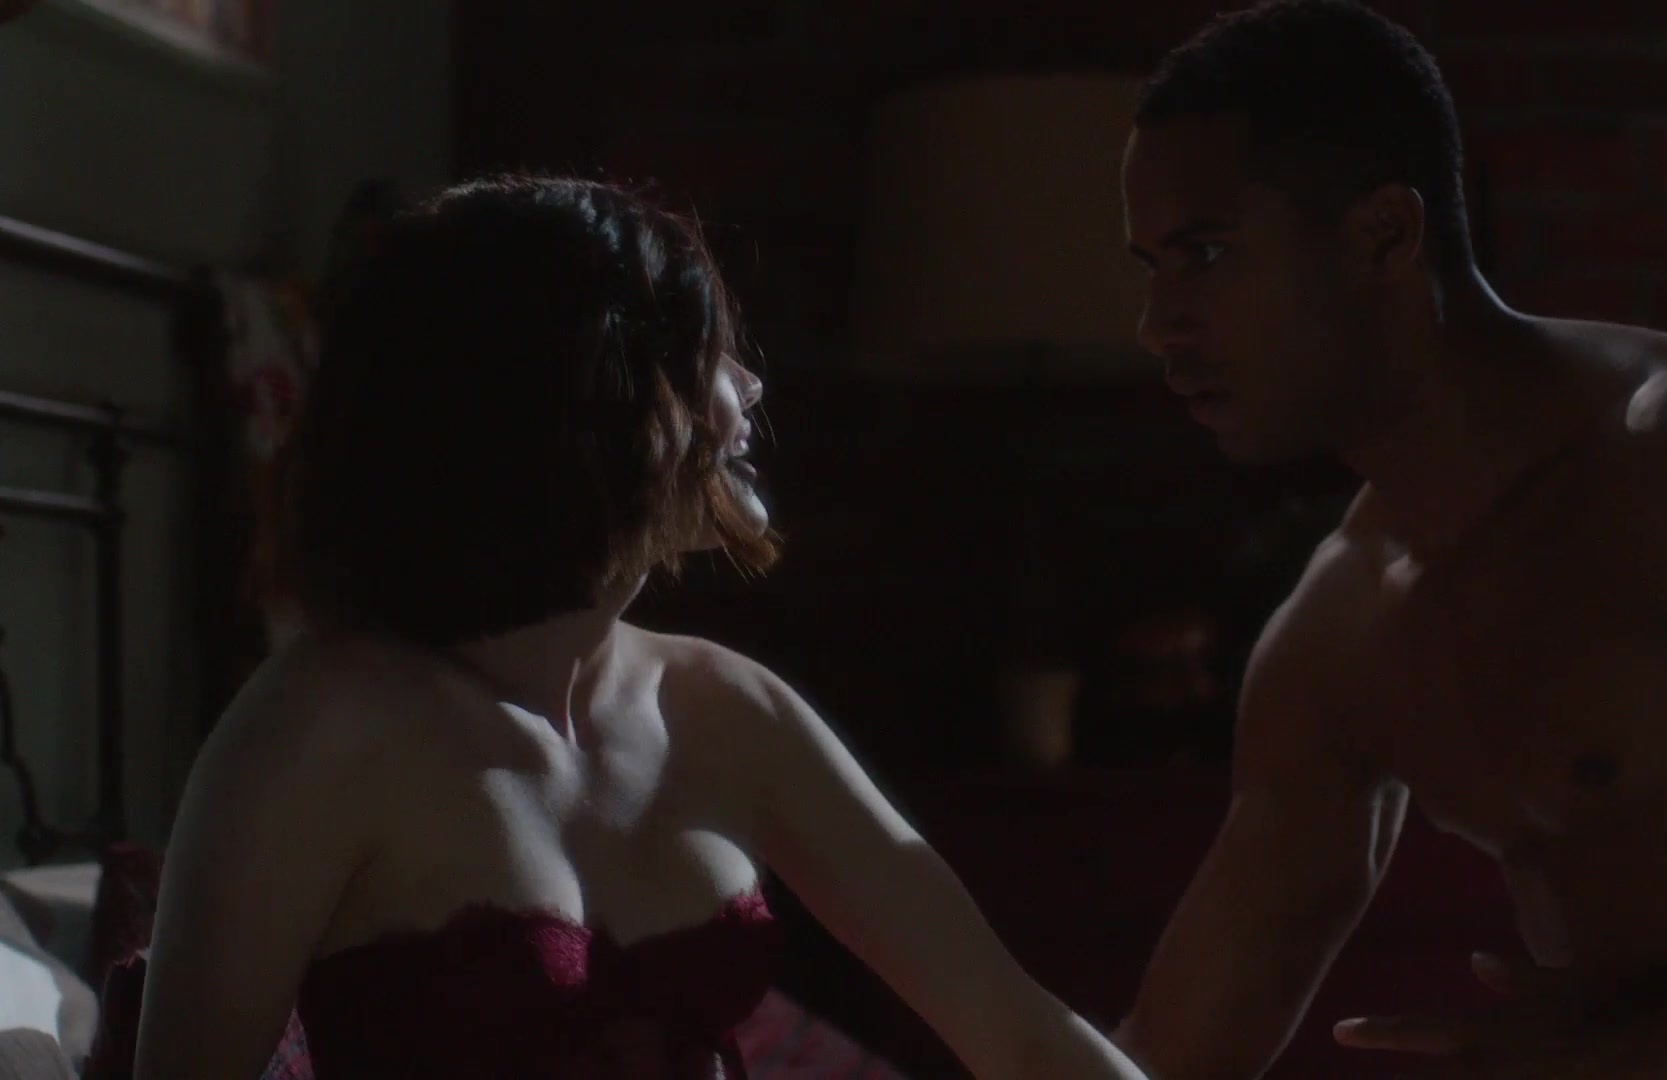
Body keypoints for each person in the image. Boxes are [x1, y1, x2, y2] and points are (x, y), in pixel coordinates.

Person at [134, 175, 1148, 1080]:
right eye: (704, 354)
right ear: (582, 394)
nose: (749, 387)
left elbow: (1020, 1035)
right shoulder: (321, 727)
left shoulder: (722, 705)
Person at [1112, 2, 1667, 1077]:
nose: (1158, 324)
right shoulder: (1342, 634)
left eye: (1206, 254)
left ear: (1384, 236)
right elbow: (1168, 1059)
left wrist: (1626, 1064)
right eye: (1152, 268)